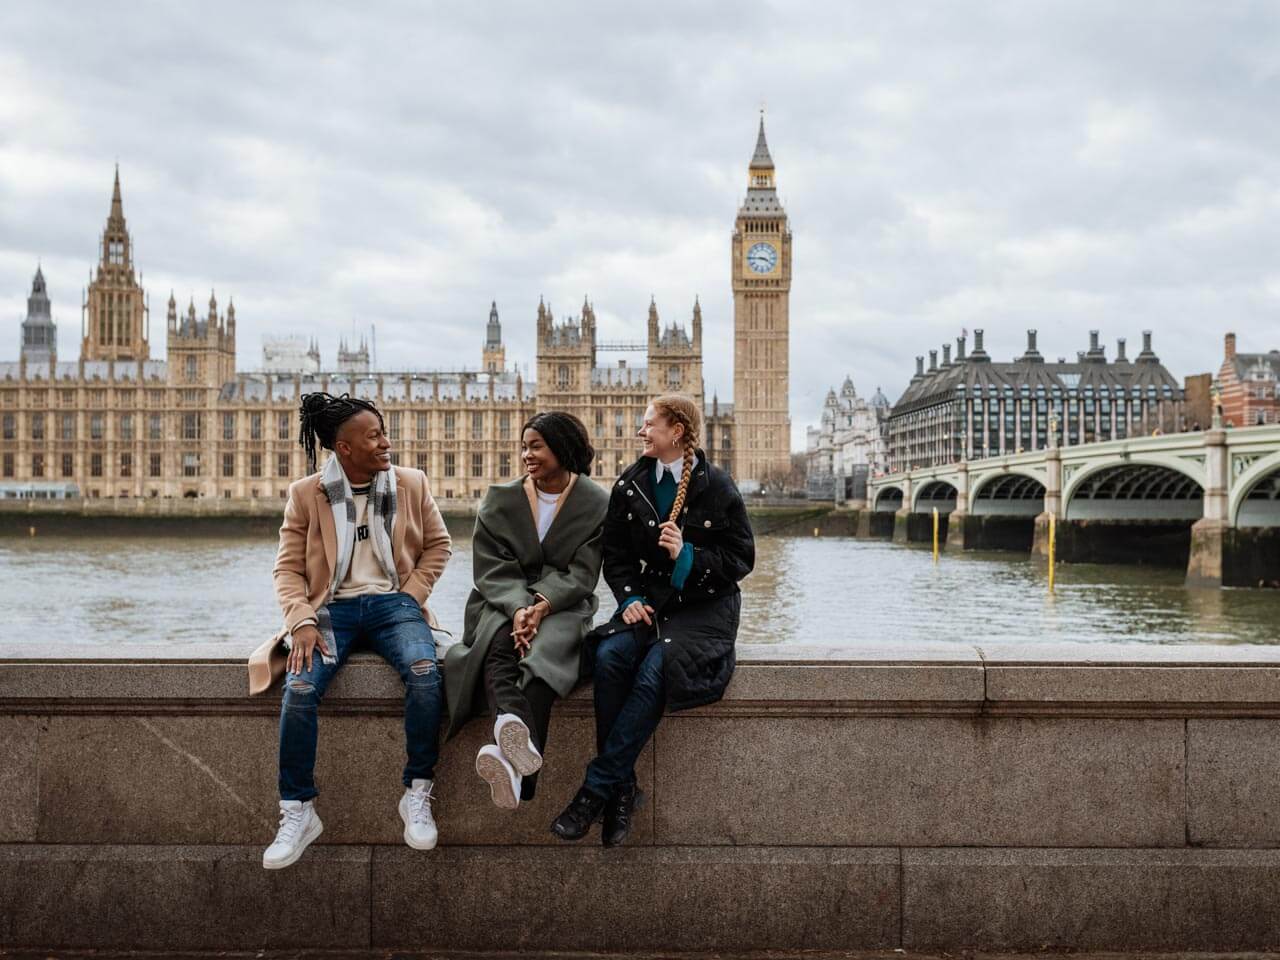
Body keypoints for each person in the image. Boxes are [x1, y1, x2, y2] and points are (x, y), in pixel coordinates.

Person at [551, 393, 755, 846]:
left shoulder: (717, 486)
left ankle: (596, 790)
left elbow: (742, 559)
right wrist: (629, 599)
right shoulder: (631, 484)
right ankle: (623, 787)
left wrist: (688, 554)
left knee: (653, 671)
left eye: (648, 424)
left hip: (705, 608)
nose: (640, 431)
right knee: (610, 657)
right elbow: (616, 556)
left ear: (676, 431)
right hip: (652, 603)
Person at [263, 392, 452, 869]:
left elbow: (439, 546)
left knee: (425, 672)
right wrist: (301, 620)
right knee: (299, 687)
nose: (386, 442)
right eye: (374, 436)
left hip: (394, 604)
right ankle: (297, 808)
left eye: (384, 432)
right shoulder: (306, 494)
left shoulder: (411, 483)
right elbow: (287, 569)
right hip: (332, 609)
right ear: (343, 448)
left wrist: (410, 595)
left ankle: (417, 790)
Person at [444, 412, 608, 809]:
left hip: (563, 605)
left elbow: (583, 572)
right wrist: (519, 607)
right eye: (523, 447)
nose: (526, 455)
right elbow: (491, 565)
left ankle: (514, 766)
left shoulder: (596, 503)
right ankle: (511, 741)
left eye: (536, 447)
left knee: (542, 662)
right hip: (502, 598)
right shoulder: (501, 498)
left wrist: (541, 605)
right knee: (499, 647)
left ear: (562, 448)